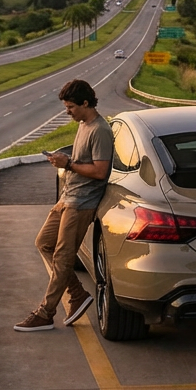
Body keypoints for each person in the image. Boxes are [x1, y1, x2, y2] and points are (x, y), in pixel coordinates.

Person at [14, 79, 114, 332]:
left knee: (63, 257)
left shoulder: (100, 130)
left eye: (70, 107)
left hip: (82, 203)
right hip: (68, 197)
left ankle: (45, 313)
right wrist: (65, 163)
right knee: (44, 243)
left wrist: (67, 164)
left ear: (85, 103)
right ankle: (77, 294)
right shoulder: (83, 124)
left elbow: (101, 171)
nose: (67, 111)